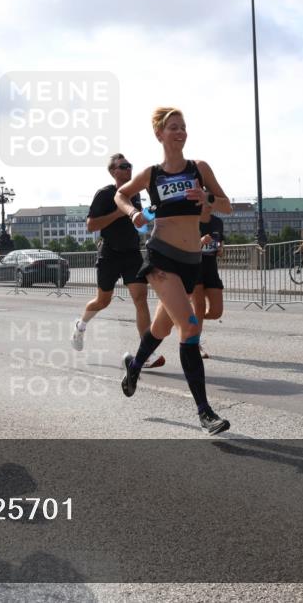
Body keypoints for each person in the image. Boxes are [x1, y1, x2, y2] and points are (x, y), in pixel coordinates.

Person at [115, 106, 232, 435]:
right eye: (173, 128)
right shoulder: (152, 174)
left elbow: (226, 204)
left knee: (160, 329)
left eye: (183, 127)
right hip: (162, 257)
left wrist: (207, 197)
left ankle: (134, 366)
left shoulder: (199, 168)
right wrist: (132, 214)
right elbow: (122, 195)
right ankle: (205, 412)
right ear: (159, 135)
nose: (180, 132)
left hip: (192, 261)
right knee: (191, 327)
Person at [70, 153, 163, 368]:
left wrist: (146, 215)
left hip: (132, 253)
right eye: (123, 166)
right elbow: (91, 225)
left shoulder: (136, 194)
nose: (128, 169)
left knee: (140, 298)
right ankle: (81, 325)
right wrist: (118, 214)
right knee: (103, 301)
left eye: (130, 165)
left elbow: (139, 223)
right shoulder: (106, 194)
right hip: (110, 253)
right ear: (113, 171)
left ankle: (147, 352)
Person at [192, 203, 225, 359]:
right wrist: (200, 242)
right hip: (194, 267)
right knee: (199, 306)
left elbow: (221, 243)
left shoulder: (217, 222)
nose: (209, 205)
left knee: (216, 312)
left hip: (211, 268)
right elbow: (182, 245)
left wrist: (220, 249)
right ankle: (195, 344)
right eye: (205, 201)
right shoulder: (190, 220)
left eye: (211, 201)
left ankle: (188, 318)